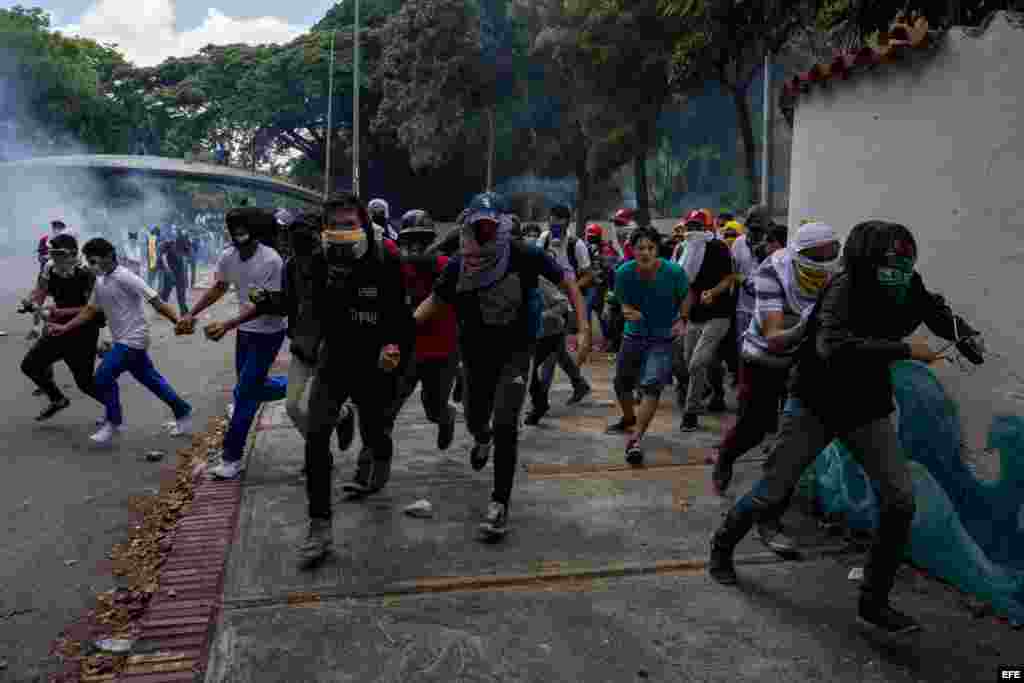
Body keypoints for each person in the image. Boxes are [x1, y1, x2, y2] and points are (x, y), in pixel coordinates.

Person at [707, 220, 985, 635]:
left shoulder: (909, 285)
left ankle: (873, 601)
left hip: (866, 408)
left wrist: (963, 335)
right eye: (890, 261)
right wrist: (904, 349)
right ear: (865, 260)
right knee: (772, 490)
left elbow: (935, 311)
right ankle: (722, 548)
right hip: (815, 404)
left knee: (900, 501)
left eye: (905, 260)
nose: (899, 269)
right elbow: (832, 347)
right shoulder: (842, 289)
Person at [415, 192, 590, 540]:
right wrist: (398, 337)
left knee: (507, 422)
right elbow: (432, 303)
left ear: (501, 227)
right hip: (476, 352)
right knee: (477, 417)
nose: (483, 236)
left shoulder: (523, 254)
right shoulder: (458, 266)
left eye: (489, 227)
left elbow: (567, 280)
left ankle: (499, 504)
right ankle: (482, 438)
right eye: (476, 228)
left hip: (516, 349)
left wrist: (583, 328)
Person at [707, 222, 839, 555]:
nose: (824, 261)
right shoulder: (773, 272)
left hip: (805, 365)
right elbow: (773, 335)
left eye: (830, 253)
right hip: (764, 358)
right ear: (797, 254)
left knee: (790, 442)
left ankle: (770, 518)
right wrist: (811, 323)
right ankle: (726, 455)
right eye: (816, 255)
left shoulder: (838, 276)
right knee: (755, 427)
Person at [297, 193, 414, 566]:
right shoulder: (318, 261)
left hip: (376, 362)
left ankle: (381, 451)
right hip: (335, 361)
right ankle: (319, 526)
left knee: (376, 429)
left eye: (348, 224)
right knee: (315, 435)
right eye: (333, 225)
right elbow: (311, 311)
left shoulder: (387, 258)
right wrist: (307, 343)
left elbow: (402, 317)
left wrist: (394, 347)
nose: (340, 232)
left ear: (363, 224)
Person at [48, 238, 192, 445]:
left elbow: (156, 301)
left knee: (103, 376)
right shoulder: (100, 280)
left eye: (95, 260)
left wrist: (178, 321)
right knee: (151, 380)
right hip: (121, 339)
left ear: (109, 256)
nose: (91, 265)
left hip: (134, 339)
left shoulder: (126, 277)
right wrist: (64, 327)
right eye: (89, 261)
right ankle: (183, 410)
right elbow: (90, 310)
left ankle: (114, 422)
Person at [177, 209, 288, 480]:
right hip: (245, 333)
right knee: (249, 389)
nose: (237, 231)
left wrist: (227, 324)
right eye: (232, 227)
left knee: (246, 395)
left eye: (242, 226)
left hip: (269, 332)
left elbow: (266, 305)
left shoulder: (271, 259)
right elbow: (219, 287)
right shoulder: (228, 256)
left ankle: (231, 457)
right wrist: (192, 313)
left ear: (253, 229)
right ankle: (302, 386)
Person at [249, 211, 356, 471]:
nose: (295, 242)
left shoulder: (334, 262)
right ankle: (337, 425)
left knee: (318, 408)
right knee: (293, 406)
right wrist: (265, 300)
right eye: (292, 236)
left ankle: (321, 450)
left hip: (331, 346)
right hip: (302, 345)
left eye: (301, 236)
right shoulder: (291, 266)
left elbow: (346, 304)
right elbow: (287, 303)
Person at [604, 227, 689, 463]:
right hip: (633, 336)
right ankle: (630, 418)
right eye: (640, 248)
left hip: (663, 338)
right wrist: (626, 310)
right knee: (622, 384)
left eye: (650, 248)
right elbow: (621, 299)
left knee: (652, 385)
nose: (646, 253)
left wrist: (682, 319)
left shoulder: (674, 272)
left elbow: (686, 295)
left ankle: (635, 439)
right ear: (632, 250)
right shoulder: (623, 272)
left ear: (657, 249)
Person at [388, 209, 458, 449]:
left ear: (431, 242)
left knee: (434, 410)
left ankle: (447, 417)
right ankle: (372, 466)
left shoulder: (446, 266)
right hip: (407, 350)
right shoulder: (398, 267)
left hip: (441, 350)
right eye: (411, 240)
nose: (416, 246)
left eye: (422, 240)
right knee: (388, 408)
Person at [20, 234, 106, 421]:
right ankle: (57, 399)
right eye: (53, 253)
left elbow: (94, 309)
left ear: (73, 254)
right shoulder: (50, 267)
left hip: (83, 332)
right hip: (58, 328)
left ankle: (113, 407)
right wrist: (32, 302)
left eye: (60, 254)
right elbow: (40, 290)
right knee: (30, 366)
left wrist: (59, 312)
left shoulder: (88, 273)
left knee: (85, 383)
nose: (55, 258)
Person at [675, 210, 734, 431]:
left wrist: (713, 292)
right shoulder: (684, 249)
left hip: (719, 314)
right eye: (690, 226)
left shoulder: (718, 248)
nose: (694, 231)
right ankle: (714, 390)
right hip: (695, 315)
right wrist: (682, 316)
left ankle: (691, 412)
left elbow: (729, 278)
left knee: (697, 362)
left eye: (698, 226)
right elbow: (687, 287)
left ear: (708, 228)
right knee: (693, 360)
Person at [536, 205, 592, 405]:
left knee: (550, 351)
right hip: (547, 301)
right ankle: (579, 383)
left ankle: (540, 399)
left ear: (568, 223)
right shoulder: (543, 240)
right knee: (557, 350)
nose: (554, 229)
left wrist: (571, 289)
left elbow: (588, 275)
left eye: (559, 225)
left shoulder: (576, 245)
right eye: (552, 224)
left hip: (565, 305)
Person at [159, 228, 190, 315]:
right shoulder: (168, 243)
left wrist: (184, 272)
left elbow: (185, 257)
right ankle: (161, 308)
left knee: (181, 293)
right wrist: (167, 269)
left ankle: (183, 312)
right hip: (170, 271)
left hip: (180, 272)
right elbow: (163, 256)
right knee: (166, 292)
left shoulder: (183, 242)